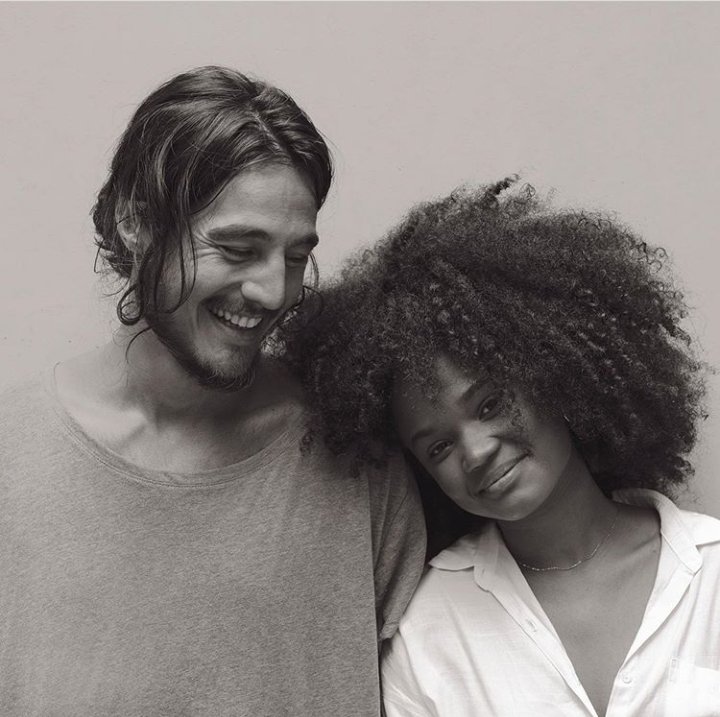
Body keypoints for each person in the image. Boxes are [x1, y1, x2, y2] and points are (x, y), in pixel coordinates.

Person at [0, 66, 425, 716]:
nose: (274, 291)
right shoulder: (12, 456)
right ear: (136, 223)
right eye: (237, 248)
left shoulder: (355, 452)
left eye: (294, 255)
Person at [287, 179, 720, 716]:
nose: (475, 452)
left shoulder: (711, 572)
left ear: (555, 374)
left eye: (490, 404)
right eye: (438, 447)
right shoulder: (431, 633)